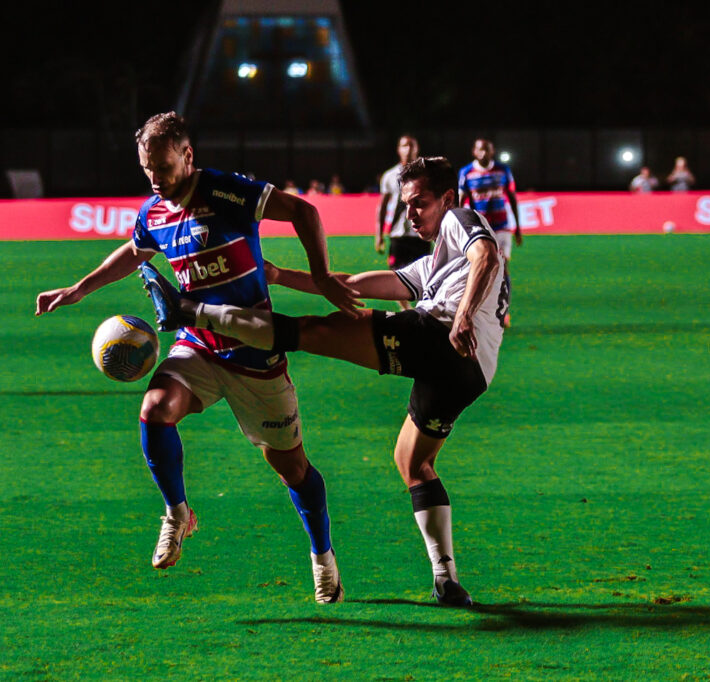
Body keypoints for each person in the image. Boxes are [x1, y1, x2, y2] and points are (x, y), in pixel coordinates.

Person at [141, 156, 506, 607]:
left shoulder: (460, 219)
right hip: (468, 374)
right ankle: (446, 579)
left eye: (420, 203)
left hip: (442, 338)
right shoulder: (434, 265)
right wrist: (280, 276)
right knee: (413, 464)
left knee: (311, 333)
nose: (411, 214)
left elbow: (487, 255)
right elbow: (352, 284)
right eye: (407, 205)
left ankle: (191, 312)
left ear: (448, 199)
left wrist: (465, 315)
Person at [35, 112, 359, 603]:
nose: (155, 179)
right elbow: (133, 251)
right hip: (198, 345)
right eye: (147, 169)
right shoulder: (153, 213)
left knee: (292, 469)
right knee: (154, 410)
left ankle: (322, 556)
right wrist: (79, 290)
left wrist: (324, 275)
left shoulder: (227, 192)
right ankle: (177, 513)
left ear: (188, 155)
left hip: (255, 354)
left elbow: (305, 213)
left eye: (163, 167)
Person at [458, 138, 518, 326]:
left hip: (501, 226)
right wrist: (460, 226)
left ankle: (504, 311)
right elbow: (462, 200)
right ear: (474, 152)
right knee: (479, 269)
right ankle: (478, 310)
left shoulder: (503, 170)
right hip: (480, 228)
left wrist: (519, 228)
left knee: (502, 267)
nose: (483, 153)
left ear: (492, 152)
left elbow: (511, 196)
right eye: (480, 150)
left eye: (487, 150)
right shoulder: (466, 172)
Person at [375, 134, 430, 310]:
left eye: (411, 146)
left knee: (425, 275)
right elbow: (382, 207)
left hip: (421, 232)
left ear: (417, 149)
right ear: (398, 149)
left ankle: (422, 308)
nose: (408, 149)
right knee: (396, 274)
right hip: (397, 233)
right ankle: (406, 310)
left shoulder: (427, 175)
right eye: (404, 145)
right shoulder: (390, 175)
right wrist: (379, 235)